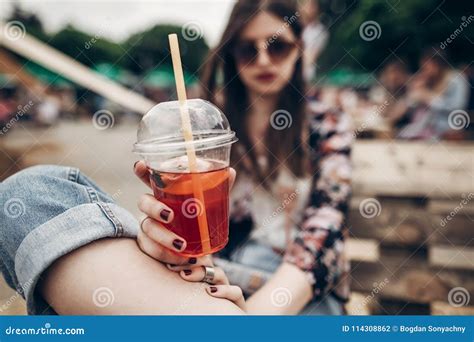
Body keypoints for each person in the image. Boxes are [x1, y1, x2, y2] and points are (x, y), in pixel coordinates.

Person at [0, 0, 352, 315]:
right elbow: (204, 244)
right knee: (27, 194)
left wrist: (258, 315)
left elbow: (326, 229)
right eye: (248, 49)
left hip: (301, 290)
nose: (263, 59)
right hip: (222, 279)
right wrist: (170, 246)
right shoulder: (203, 124)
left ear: (299, 49)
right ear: (231, 55)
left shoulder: (326, 123)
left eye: (277, 46)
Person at [397, 48, 469, 140]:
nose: (424, 70)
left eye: (426, 66)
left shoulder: (457, 79)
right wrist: (413, 92)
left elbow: (457, 107)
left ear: (438, 65)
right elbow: (412, 110)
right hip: (425, 130)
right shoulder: (429, 81)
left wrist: (429, 97)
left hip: (448, 129)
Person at [298, 0, 329, 83]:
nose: (310, 9)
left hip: (304, 76)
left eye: (313, 5)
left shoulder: (320, 31)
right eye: (307, 4)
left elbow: (310, 58)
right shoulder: (293, 27)